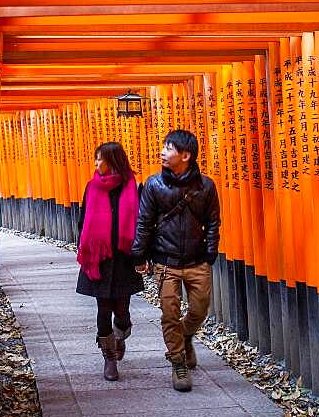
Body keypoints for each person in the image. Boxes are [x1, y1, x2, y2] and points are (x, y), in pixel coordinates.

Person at [131, 129, 221, 392]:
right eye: (163, 147)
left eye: (168, 148)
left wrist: (210, 252)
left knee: (199, 309)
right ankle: (178, 362)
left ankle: (185, 335)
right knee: (169, 313)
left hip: (196, 261)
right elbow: (144, 223)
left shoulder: (206, 186)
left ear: (186, 155)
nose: (162, 152)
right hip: (166, 261)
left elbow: (213, 222)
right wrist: (139, 255)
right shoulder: (154, 184)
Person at [75, 141, 144, 381]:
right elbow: (83, 221)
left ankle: (119, 336)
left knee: (122, 312)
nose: (96, 163)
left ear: (113, 161)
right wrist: (85, 251)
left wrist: (140, 255)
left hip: (123, 259)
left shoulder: (131, 186)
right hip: (100, 260)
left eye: (99, 159)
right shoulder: (92, 187)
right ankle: (109, 357)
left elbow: (140, 223)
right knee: (103, 310)